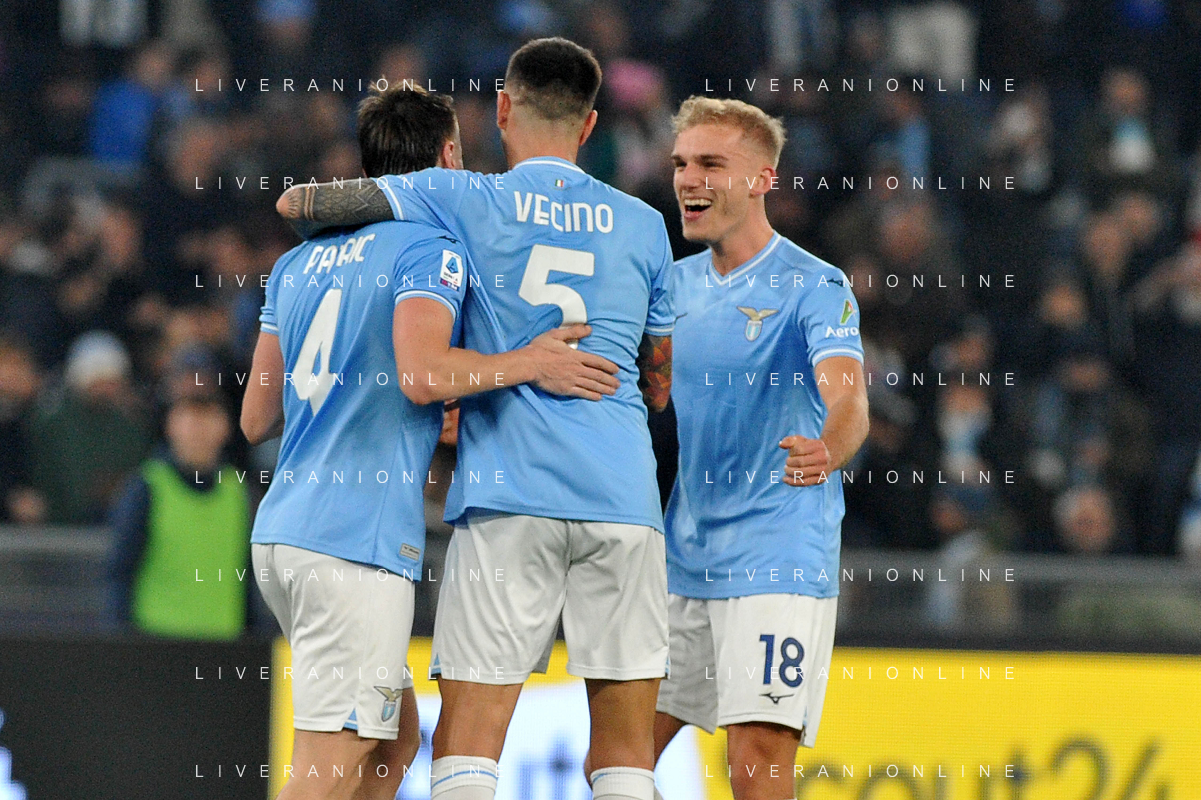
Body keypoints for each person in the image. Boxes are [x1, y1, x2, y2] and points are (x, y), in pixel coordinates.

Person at [276, 37, 675, 800]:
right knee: (625, 759)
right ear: (590, 125)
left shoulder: (461, 195)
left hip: (508, 499)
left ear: (501, 109)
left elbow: (299, 205)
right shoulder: (644, 223)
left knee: (466, 752)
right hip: (624, 500)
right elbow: (658, 381)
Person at [652, 97, 869, 800]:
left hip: (777, 552)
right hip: (683, 552)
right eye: (682, 164)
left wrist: (827, 448)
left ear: (761, 179)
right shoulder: (669, 287)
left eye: (711, 164)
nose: (689, 179)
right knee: (617, 755)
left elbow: (848, 400)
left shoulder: (814, 285)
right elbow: (633, 391)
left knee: (754, 766)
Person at [108, 385, 251, 640]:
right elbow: (120, 572)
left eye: (208, 418)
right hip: (155, 642)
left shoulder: (239, 492)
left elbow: (248, 576)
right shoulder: (147, 488)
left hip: (225, 645)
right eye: (190, 419)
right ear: (170, 426)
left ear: (226, 427)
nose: (198, 429)